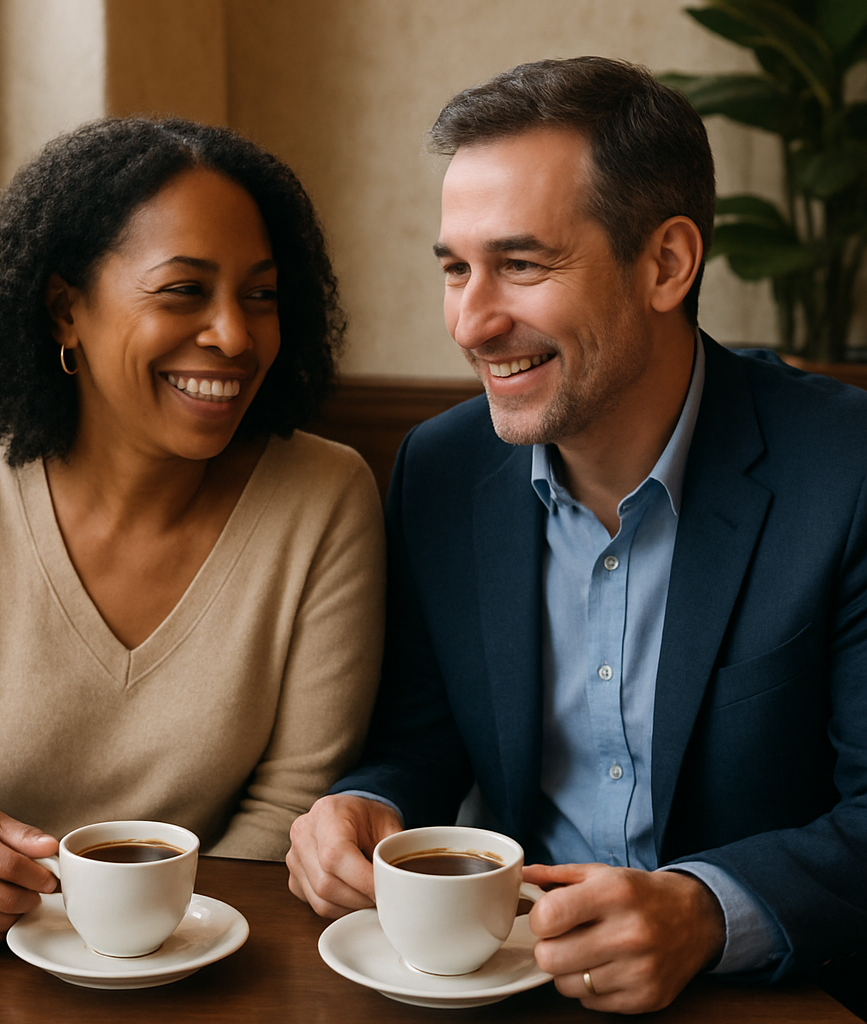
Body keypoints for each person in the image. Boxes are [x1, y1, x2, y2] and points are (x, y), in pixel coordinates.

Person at [286, 57, 867, 1014]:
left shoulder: (846, 471)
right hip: (510, 979)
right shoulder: (440, 472)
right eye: (455, 269)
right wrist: (369, 806)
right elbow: (421, 744)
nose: (473, 322)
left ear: (666, 264)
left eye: (521, 264)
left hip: (780, 993)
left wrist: (707, 913)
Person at [0, 117, 386, 945]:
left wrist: (143, 946)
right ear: (66, 310)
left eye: (262, 294)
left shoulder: (325, 498)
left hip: (213, 954)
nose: (235, 335)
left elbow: (291, 806)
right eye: (183, 290)